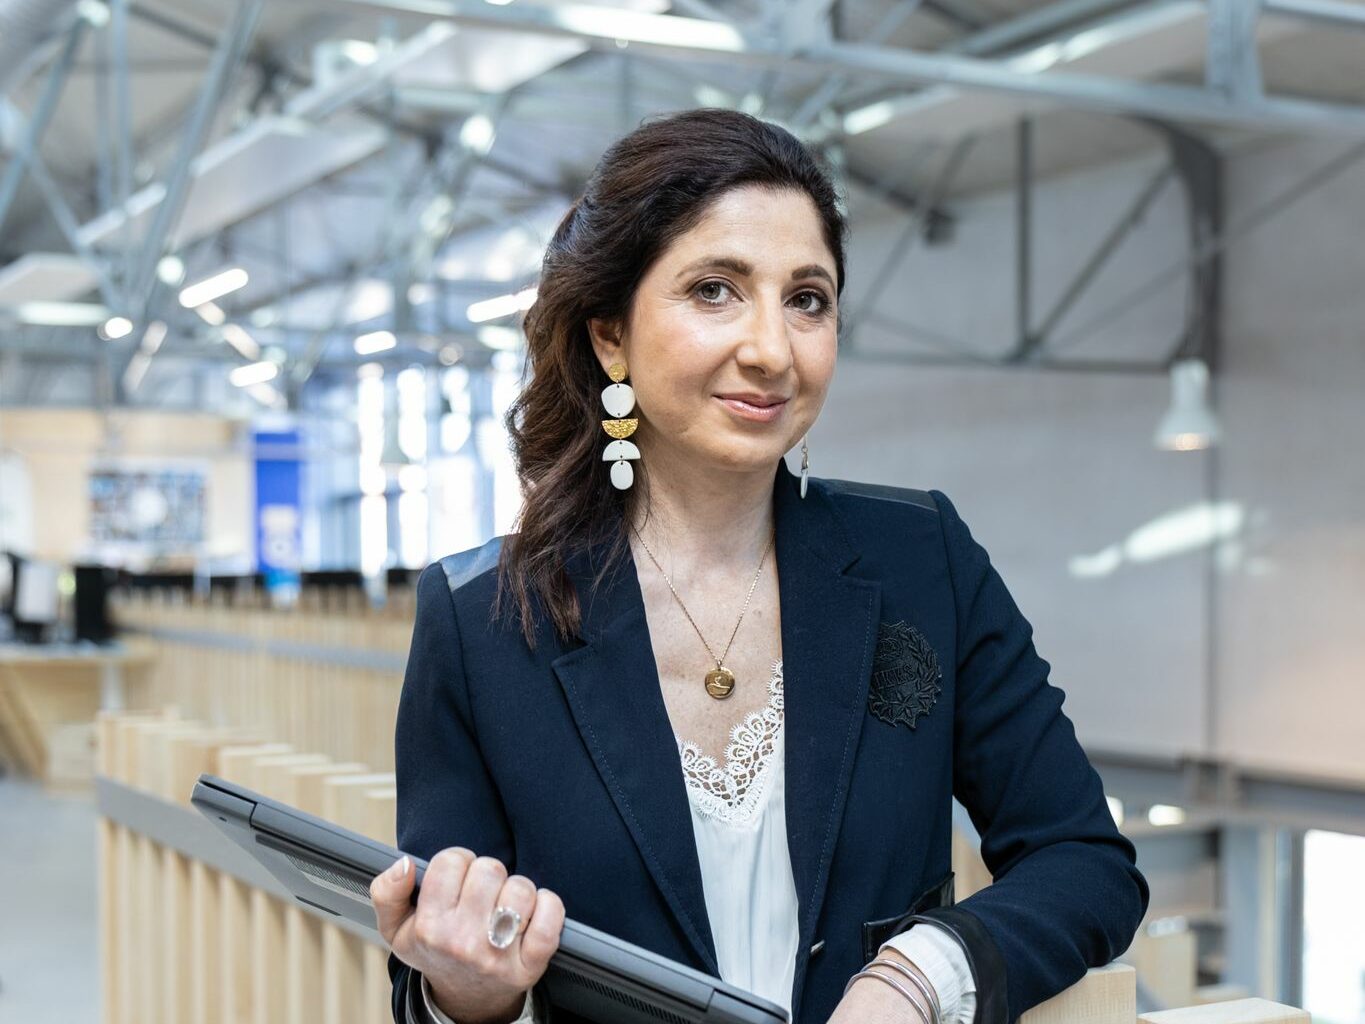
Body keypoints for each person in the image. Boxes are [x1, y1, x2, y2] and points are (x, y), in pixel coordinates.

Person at [371, 108, 1149, 1024]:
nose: (771, 350)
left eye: (806, 299)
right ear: (608, 334)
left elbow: (1085, 859)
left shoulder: (921, 560)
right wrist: (464, 990)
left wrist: (920, 976)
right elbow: (438, 969)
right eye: (714, 289)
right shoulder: (482, 621)